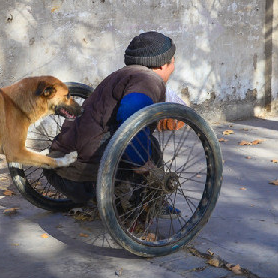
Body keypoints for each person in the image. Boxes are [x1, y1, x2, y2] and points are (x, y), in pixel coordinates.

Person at [43, 31, 180, 207]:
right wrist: (143, 166)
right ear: (162, 65)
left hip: (56, 172)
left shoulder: (121, 75)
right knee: (148, 144)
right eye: (173, 61)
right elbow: (130, 118)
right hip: (85, 181)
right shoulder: (149, 80)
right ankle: (148, 203)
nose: (174, 66)